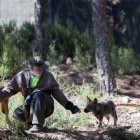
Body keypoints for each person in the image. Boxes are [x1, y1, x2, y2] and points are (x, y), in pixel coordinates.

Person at [0, 56, 80, 133]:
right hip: (29, 105)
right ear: (31, 68)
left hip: (46, 105)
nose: (41, 70)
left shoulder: (48, 76)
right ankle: (29, 125)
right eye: (38, 68)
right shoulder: (21, 76)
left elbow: (58, 93)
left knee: (37, 94)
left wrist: (70, 106)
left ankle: (37, 125)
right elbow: (8, 90)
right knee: (17, 114)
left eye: (42, 67)